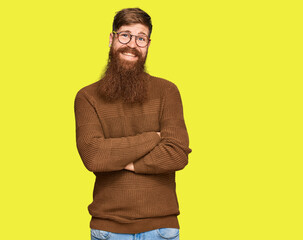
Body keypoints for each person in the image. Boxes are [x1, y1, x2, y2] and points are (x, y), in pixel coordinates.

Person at [74, 8, 192, 240]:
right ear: (112, 38)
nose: (132, 44)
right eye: (125, 35)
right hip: (108, 229)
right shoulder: (87, 97)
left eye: (141, 38)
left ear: (148, 44)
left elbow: (177, 154)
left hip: (162, 229)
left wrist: (117, 158)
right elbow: (94, 156)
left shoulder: (167, 91)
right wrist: (154, 137)